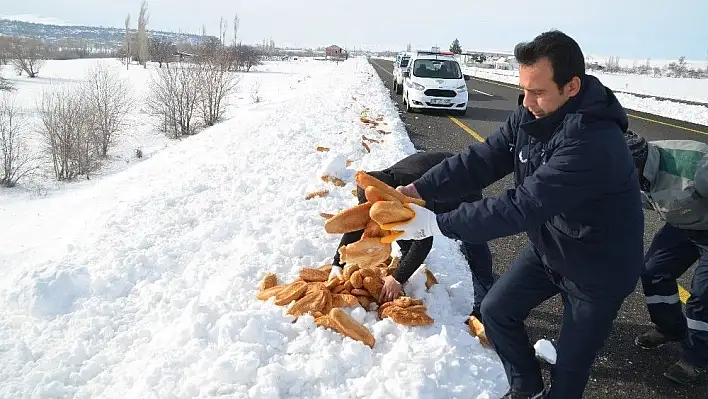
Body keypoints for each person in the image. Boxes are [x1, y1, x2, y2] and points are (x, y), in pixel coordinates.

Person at [385, 30, 645, 399]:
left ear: (572, 86)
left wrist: (438, 223)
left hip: (598, 268)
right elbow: (482, 159)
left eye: (538, 92)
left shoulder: (593, 142)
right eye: (523, 90)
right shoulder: (530, 113)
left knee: (570, 368)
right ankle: (526, 387)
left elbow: (523, 205)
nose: (527, 102)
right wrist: (421, 189)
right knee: (496, 311)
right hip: (553, 245)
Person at [328, 151, 494, 314]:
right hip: (430, 170)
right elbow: (359, 224)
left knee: (472, 235)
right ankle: (407, 262)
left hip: (460, 180)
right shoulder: (376, 192)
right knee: (401, 227)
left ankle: (485, 300)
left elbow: (424, 241)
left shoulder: (412, 193)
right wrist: (338, 263)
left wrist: (397, 278)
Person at [624, 130, 708, 385]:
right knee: (653, 271)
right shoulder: (621, 170)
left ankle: (696, 359)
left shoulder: (696, 168)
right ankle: (671, 328)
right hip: (683, 222)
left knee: (703, 294)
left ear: (635, 165)